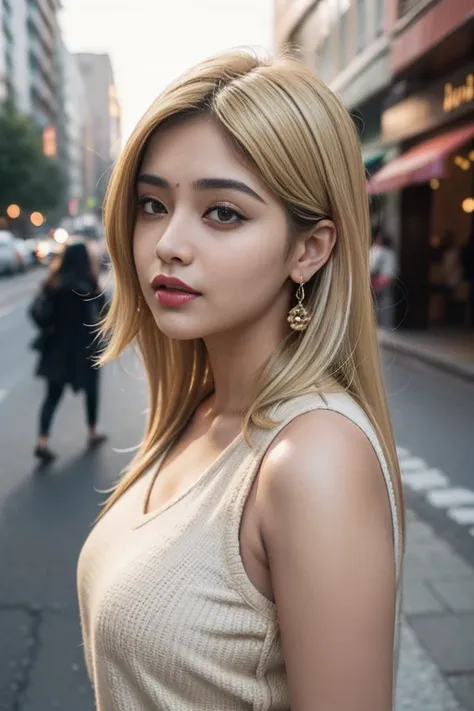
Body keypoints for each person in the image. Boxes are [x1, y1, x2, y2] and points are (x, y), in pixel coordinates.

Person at [77, 51, 404, 710]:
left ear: (309, 248)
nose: (168, 242)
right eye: (152, 203)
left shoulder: (312, 460)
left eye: (222, 212)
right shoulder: (199, 412)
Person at [30, 241, 107, 463]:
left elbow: (37, 314)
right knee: (91, 391)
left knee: (52, 396)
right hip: (85, 348)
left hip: (57, 349)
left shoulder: (55, 284)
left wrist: (50, 328)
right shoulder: (89, 285)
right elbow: (104, 313)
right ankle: (92, 432)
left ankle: (42, 441)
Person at [369, 230, 397, 325]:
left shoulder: (377, 251)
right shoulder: (391, 253)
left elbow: (372, 266)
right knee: (385, 301)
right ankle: (385, 322)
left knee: (375, 301)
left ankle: (376, 321)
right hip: (388, 279)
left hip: (377, 279)